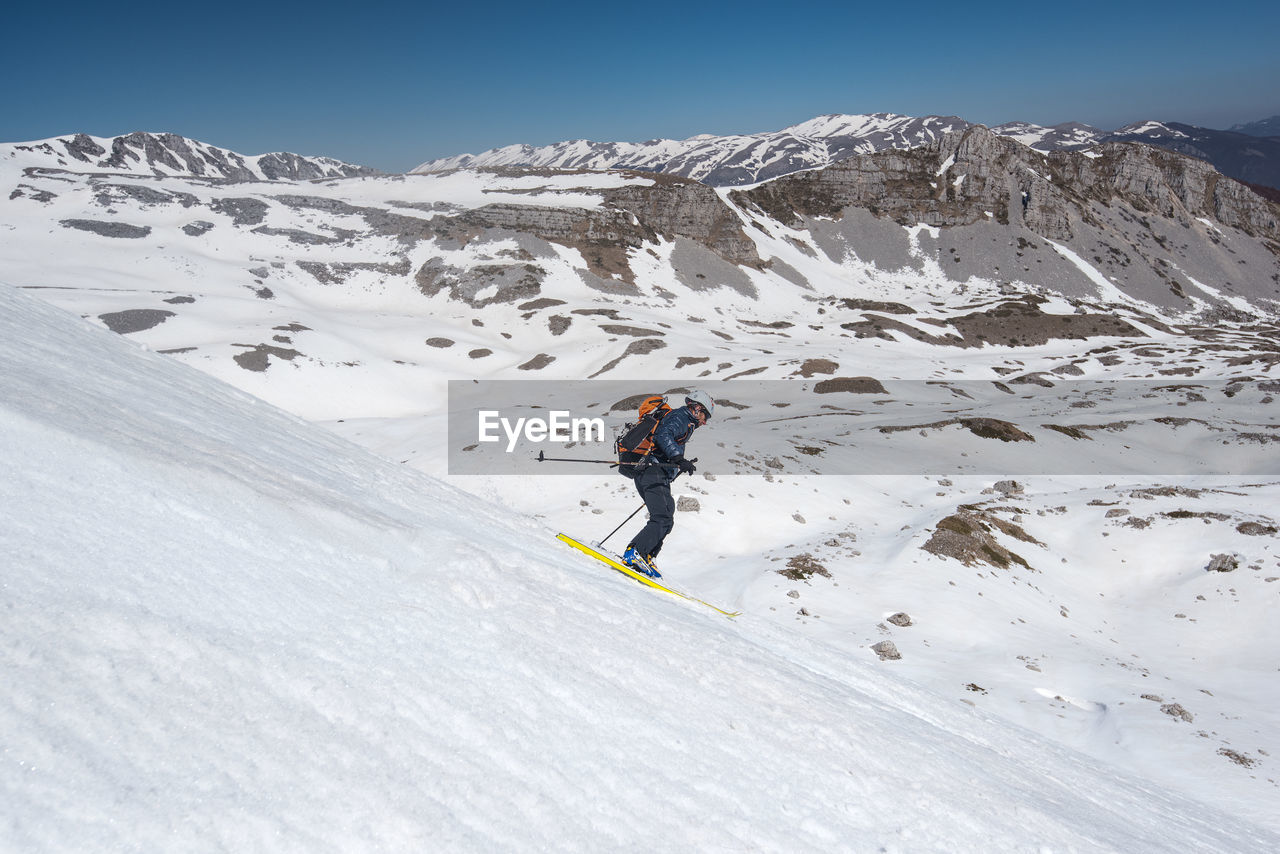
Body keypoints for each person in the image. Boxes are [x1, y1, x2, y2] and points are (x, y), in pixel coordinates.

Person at [622, 390, 714, 578]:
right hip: (651, 471)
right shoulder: (680, 416)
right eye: (705, 415)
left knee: (666, 516)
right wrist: (678, 458)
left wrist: (678, 463)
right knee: (662, 516)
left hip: (653, 473)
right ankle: (636, 553)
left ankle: (646, 556)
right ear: (696, 408)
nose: (704, 422)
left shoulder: (684, 421)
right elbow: (663, 435)